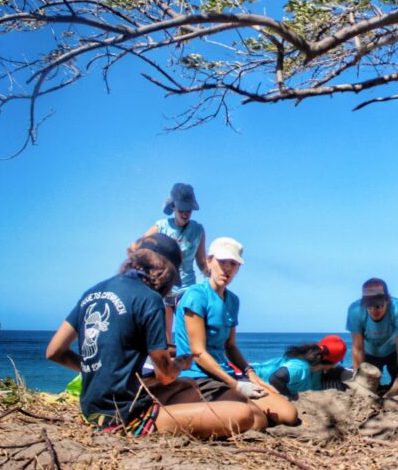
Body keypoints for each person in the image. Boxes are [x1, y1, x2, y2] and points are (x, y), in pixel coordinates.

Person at [45, 234, 254, 437]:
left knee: (188, 386)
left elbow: (54, 352)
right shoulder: (149, 299)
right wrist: (180, 364)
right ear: (167, 271)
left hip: (90, 411)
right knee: (243, 413)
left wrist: (97, 369)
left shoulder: (92, 292)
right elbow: (165, 376)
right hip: (125, 417)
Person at [173, 236, 298, 428]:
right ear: (209, 261)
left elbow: (230, 346)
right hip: (198, 376)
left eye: (233, 264)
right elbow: (198, 352)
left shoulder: (232, 300)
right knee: (257, 420)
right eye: (222, 262)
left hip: (226, 374)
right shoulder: (196, 296)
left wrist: (251, 374)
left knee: (288, 414)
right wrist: (236, 385)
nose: (227, 269)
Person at [139, 182, 208, 344]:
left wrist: (211, 276)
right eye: (181, 210)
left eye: (189, 210)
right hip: (163, 287)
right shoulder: (161, 226)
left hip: (187, 288)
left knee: (191, 336)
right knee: (165, 339)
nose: (185, 214)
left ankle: (191, 366)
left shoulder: (198, 230)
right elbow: (138, 248)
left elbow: (200, 261)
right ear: (174, 207)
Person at [346, 278, 398, 387]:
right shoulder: (355, 310)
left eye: (378, 305)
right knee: (366, 386)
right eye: (369, 306)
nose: (373, 310)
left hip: (394, 351)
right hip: (370, 353)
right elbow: (358, 348)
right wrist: (358, 380)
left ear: (388, 300)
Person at [251, 335, 349, 399]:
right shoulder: (301, 367)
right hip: (249, 376)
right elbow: (276, 378)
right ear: (331, 363)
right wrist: (290, 396)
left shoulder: (315, 368)